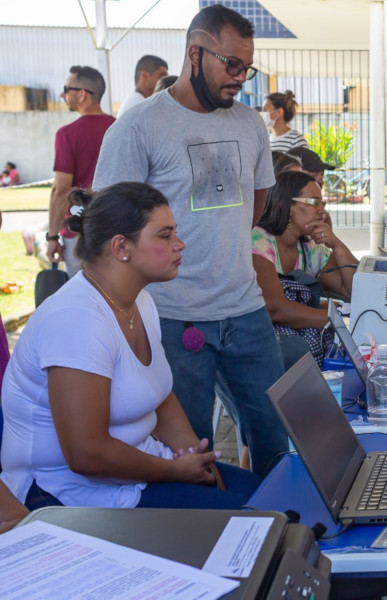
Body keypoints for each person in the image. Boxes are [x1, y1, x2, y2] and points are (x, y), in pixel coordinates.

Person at [92, 4, 288, 477]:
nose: (241, 77)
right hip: (170, 316)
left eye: (248, 67)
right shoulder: (138, 128)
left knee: (274, 434)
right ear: (195, 54)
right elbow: (107, 225)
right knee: (191, 448)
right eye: (232, 64)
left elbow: (255, 205)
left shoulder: (248, 123)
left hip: (245, 308)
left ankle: (281, 532)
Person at [0, 183, 261, 510]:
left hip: (139, 470)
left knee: (267, 499)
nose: (179, 244)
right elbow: (86, 455)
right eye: (165, 236)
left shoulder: (141, 301)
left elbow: (160, 396)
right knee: (252, 526)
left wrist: (196, 457)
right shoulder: (76, 320)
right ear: (121, 247)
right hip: (66, 492)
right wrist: (173, 470)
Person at [252, 171, 357, 367]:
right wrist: (337, 319)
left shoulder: (309, 248)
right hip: (261, 349)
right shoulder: (258, 241)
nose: (322, 211)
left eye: (322, 203)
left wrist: (337, 245)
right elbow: (276, 309)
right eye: (314, 202)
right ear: (287, 205)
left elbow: (351, 291)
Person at [46, 66, 116, 277]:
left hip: (78, 230)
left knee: (81, 299)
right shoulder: (120, 128)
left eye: (66, 89)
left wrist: (52, 237)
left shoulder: (67, 134)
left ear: (83, 94)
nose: (62, 94)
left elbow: (61, 190)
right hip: (117, 227)